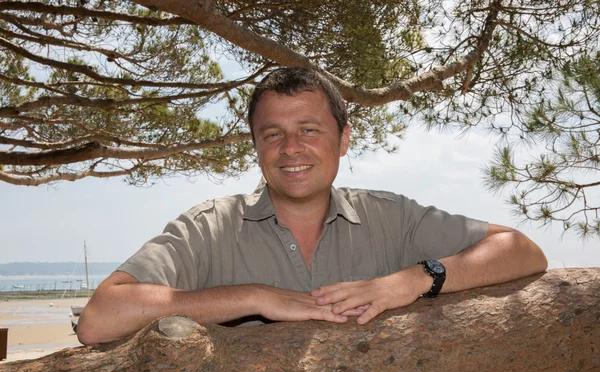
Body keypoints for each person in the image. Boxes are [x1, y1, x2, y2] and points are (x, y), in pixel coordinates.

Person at [77, 68, 547, 345]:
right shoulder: (209, 227)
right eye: (273, 134)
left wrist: (412, 280)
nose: (291, 148)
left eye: (309, 129)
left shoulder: (393, 217)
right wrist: (255, 296)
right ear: (257, 148)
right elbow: (100, 318)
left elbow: (521, 250)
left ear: (343, 140)